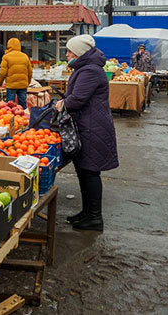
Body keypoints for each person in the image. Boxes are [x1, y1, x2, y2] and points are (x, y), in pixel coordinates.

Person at [55, 35, 119, 231]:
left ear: (80, 53)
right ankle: (87, 213)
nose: (66, 55)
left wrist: (63, 103)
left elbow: (77, 99)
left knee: (90, 172)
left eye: (69, 52)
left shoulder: (90, 71)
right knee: (84, 171)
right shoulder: (86, 68)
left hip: (92, 127)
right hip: (88, 125)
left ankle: (94, 217)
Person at [0, 38, 32, 109]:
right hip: (23, 85)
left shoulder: (6, 57)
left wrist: (0, 82)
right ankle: (23, 118)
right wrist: (27, 82)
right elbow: (30, 72)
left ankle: (11, 118)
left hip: (11, 86)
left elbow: (2, 72)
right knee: (22, 105)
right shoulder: (25, 56)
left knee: (10, 105)